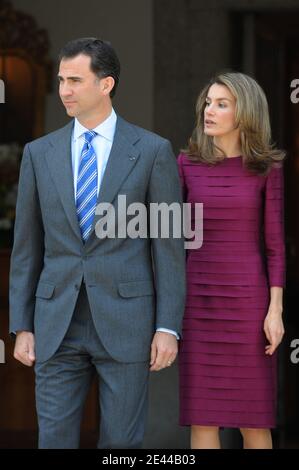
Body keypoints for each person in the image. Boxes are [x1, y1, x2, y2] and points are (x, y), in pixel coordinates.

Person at [9, 37, 186, 449]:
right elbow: (26, 247)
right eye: (60, 80)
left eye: (75, 80)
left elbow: (169, 247)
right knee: (53, 441)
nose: (64, 90)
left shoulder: (152, 151)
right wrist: (22, 324)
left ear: (105, 84)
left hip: (127, 322)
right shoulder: (38, 154)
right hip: (56, 324)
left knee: (121, 446)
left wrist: (167, 326)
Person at [178, 72, 285, 449]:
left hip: (248, 306)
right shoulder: (186, 163)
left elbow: (275, 245)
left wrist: (275, 311)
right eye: (208, 102)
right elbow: (171, 237)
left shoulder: (267, 170)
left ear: (246, 113)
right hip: (198, 304)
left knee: (253, 423)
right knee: (203, 420)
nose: (210, 110)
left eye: (222, 104)